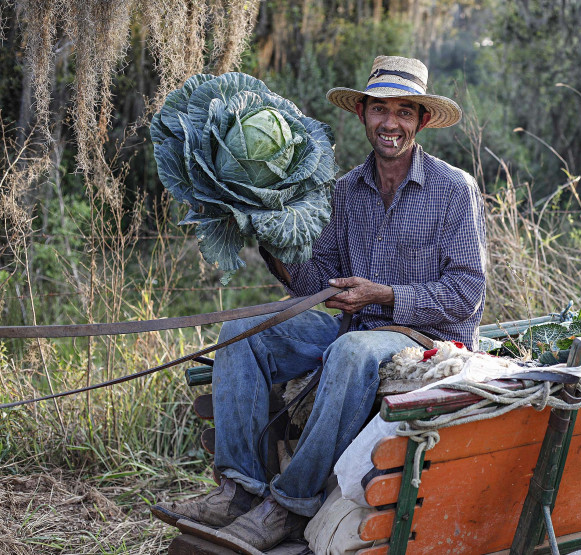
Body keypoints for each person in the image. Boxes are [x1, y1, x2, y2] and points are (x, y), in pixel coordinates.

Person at [151, 55, 487, 550]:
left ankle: (288, 506)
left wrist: (386, 294)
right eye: (379, 109)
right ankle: (239, 491)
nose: (390, 123)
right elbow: (314, 281)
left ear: (422, 119)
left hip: (424, 339)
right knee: (244, 333)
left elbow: (467, 293)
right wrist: (264, 225)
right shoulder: (346, 191)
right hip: (351, 325)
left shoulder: (454, 190)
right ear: (363, 115)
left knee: (351, 353)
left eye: (404, 111)